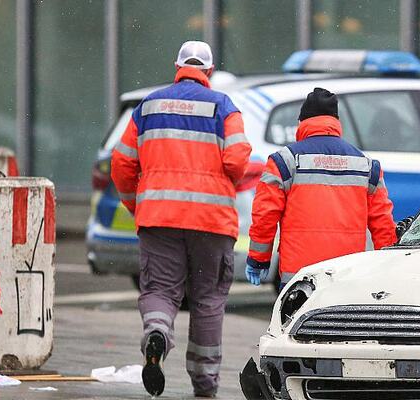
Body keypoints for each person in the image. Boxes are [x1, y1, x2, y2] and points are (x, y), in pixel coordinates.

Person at [110, 40, 251, 398]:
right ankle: (204, 386)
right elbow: (237, 160)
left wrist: (136, 204)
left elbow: (122, 163)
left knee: (160, 290)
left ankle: (157, 332)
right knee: (207, 301)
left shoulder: (148, 106)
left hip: (159, 219)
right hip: (211, 222)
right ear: (210, 72)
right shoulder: (224, 107)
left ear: (176, 67)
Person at [245, 88, 397, 288]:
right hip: (348, 276)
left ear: (302, 122)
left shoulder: (284, 161)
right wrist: (389, 267)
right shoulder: (366, 165)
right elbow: (383, 224)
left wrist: (258, 259)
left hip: (299, 279)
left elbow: (265, 216)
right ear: (336, 123)